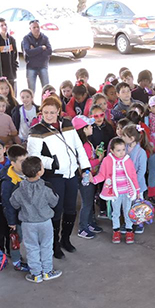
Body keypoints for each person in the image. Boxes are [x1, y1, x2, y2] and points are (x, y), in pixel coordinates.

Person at [27, 95, 91, 259]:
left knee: (70, 209)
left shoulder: (68, 125)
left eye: (52, 112)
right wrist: (53, 163)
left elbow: (78, 146)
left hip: (71, 175)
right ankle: (54, 244)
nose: (49, 115)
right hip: (54, 176)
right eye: (46, 112)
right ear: (41, 112)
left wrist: (85, 167)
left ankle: (66, 240)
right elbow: (34, 156)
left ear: (58, 112)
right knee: (56, 211)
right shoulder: (37, 131)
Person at [10, 156, 61, 283]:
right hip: (45, 222)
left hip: (28, 223)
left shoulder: (18, 187)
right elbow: (54, 202)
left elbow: (14, 203)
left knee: (31, 247)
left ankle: (36, 274)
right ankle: (47, 272)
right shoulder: (47, 186)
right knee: (46, 246)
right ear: (40, 172)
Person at [91, 138, 140, 244]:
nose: (122, 152)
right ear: (112, 151)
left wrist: (137, 190)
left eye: (123, 149)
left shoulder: (127, 160)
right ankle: (116, 231)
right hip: (114, 193)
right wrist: (93, 180)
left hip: (127, 192)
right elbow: (102, 175)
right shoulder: (107, 160)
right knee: (115, 213)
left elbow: (133, 176)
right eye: (118, 150)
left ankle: (129, 231)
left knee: (128, 212)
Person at [0, 144, 30, 272]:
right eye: (22, 161)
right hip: (17, 218)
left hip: (29, 215)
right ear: (13, 163)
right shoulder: (8, 182)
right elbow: (8, 204)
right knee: (17, 239)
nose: (26, 164)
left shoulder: (28, 173)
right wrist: (12, 222)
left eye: (27, 160)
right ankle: (17, 262)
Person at [73, 115, 104, 239]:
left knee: (90, 201)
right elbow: (85, 163)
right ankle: (83, 227)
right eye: (89, 126)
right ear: (83, 129)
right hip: (86, 177)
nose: (92, 127)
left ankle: (90, 223)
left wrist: (94, 154)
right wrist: (99, 159)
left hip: (90, 176)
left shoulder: (85, 143)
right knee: (86, 203)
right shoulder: (84, 145)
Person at [21, 20, 52, 93]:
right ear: (30, 29)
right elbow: (28, 52)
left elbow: (49, 51)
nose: (36, 29)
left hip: (43, 66)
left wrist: (34, 50)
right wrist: (41, 48)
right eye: (34, 27)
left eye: (38, 27)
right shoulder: (26, 38)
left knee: (47, 90)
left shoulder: (44, 38)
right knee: (31, 91)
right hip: (31, 67)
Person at [0, 17, 19, 84]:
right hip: (1, 74)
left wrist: (15, 67)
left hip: (12, 73)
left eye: (5, 25)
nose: (4, 27)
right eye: (1, 25)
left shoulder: (11, 39)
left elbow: (15, 54)